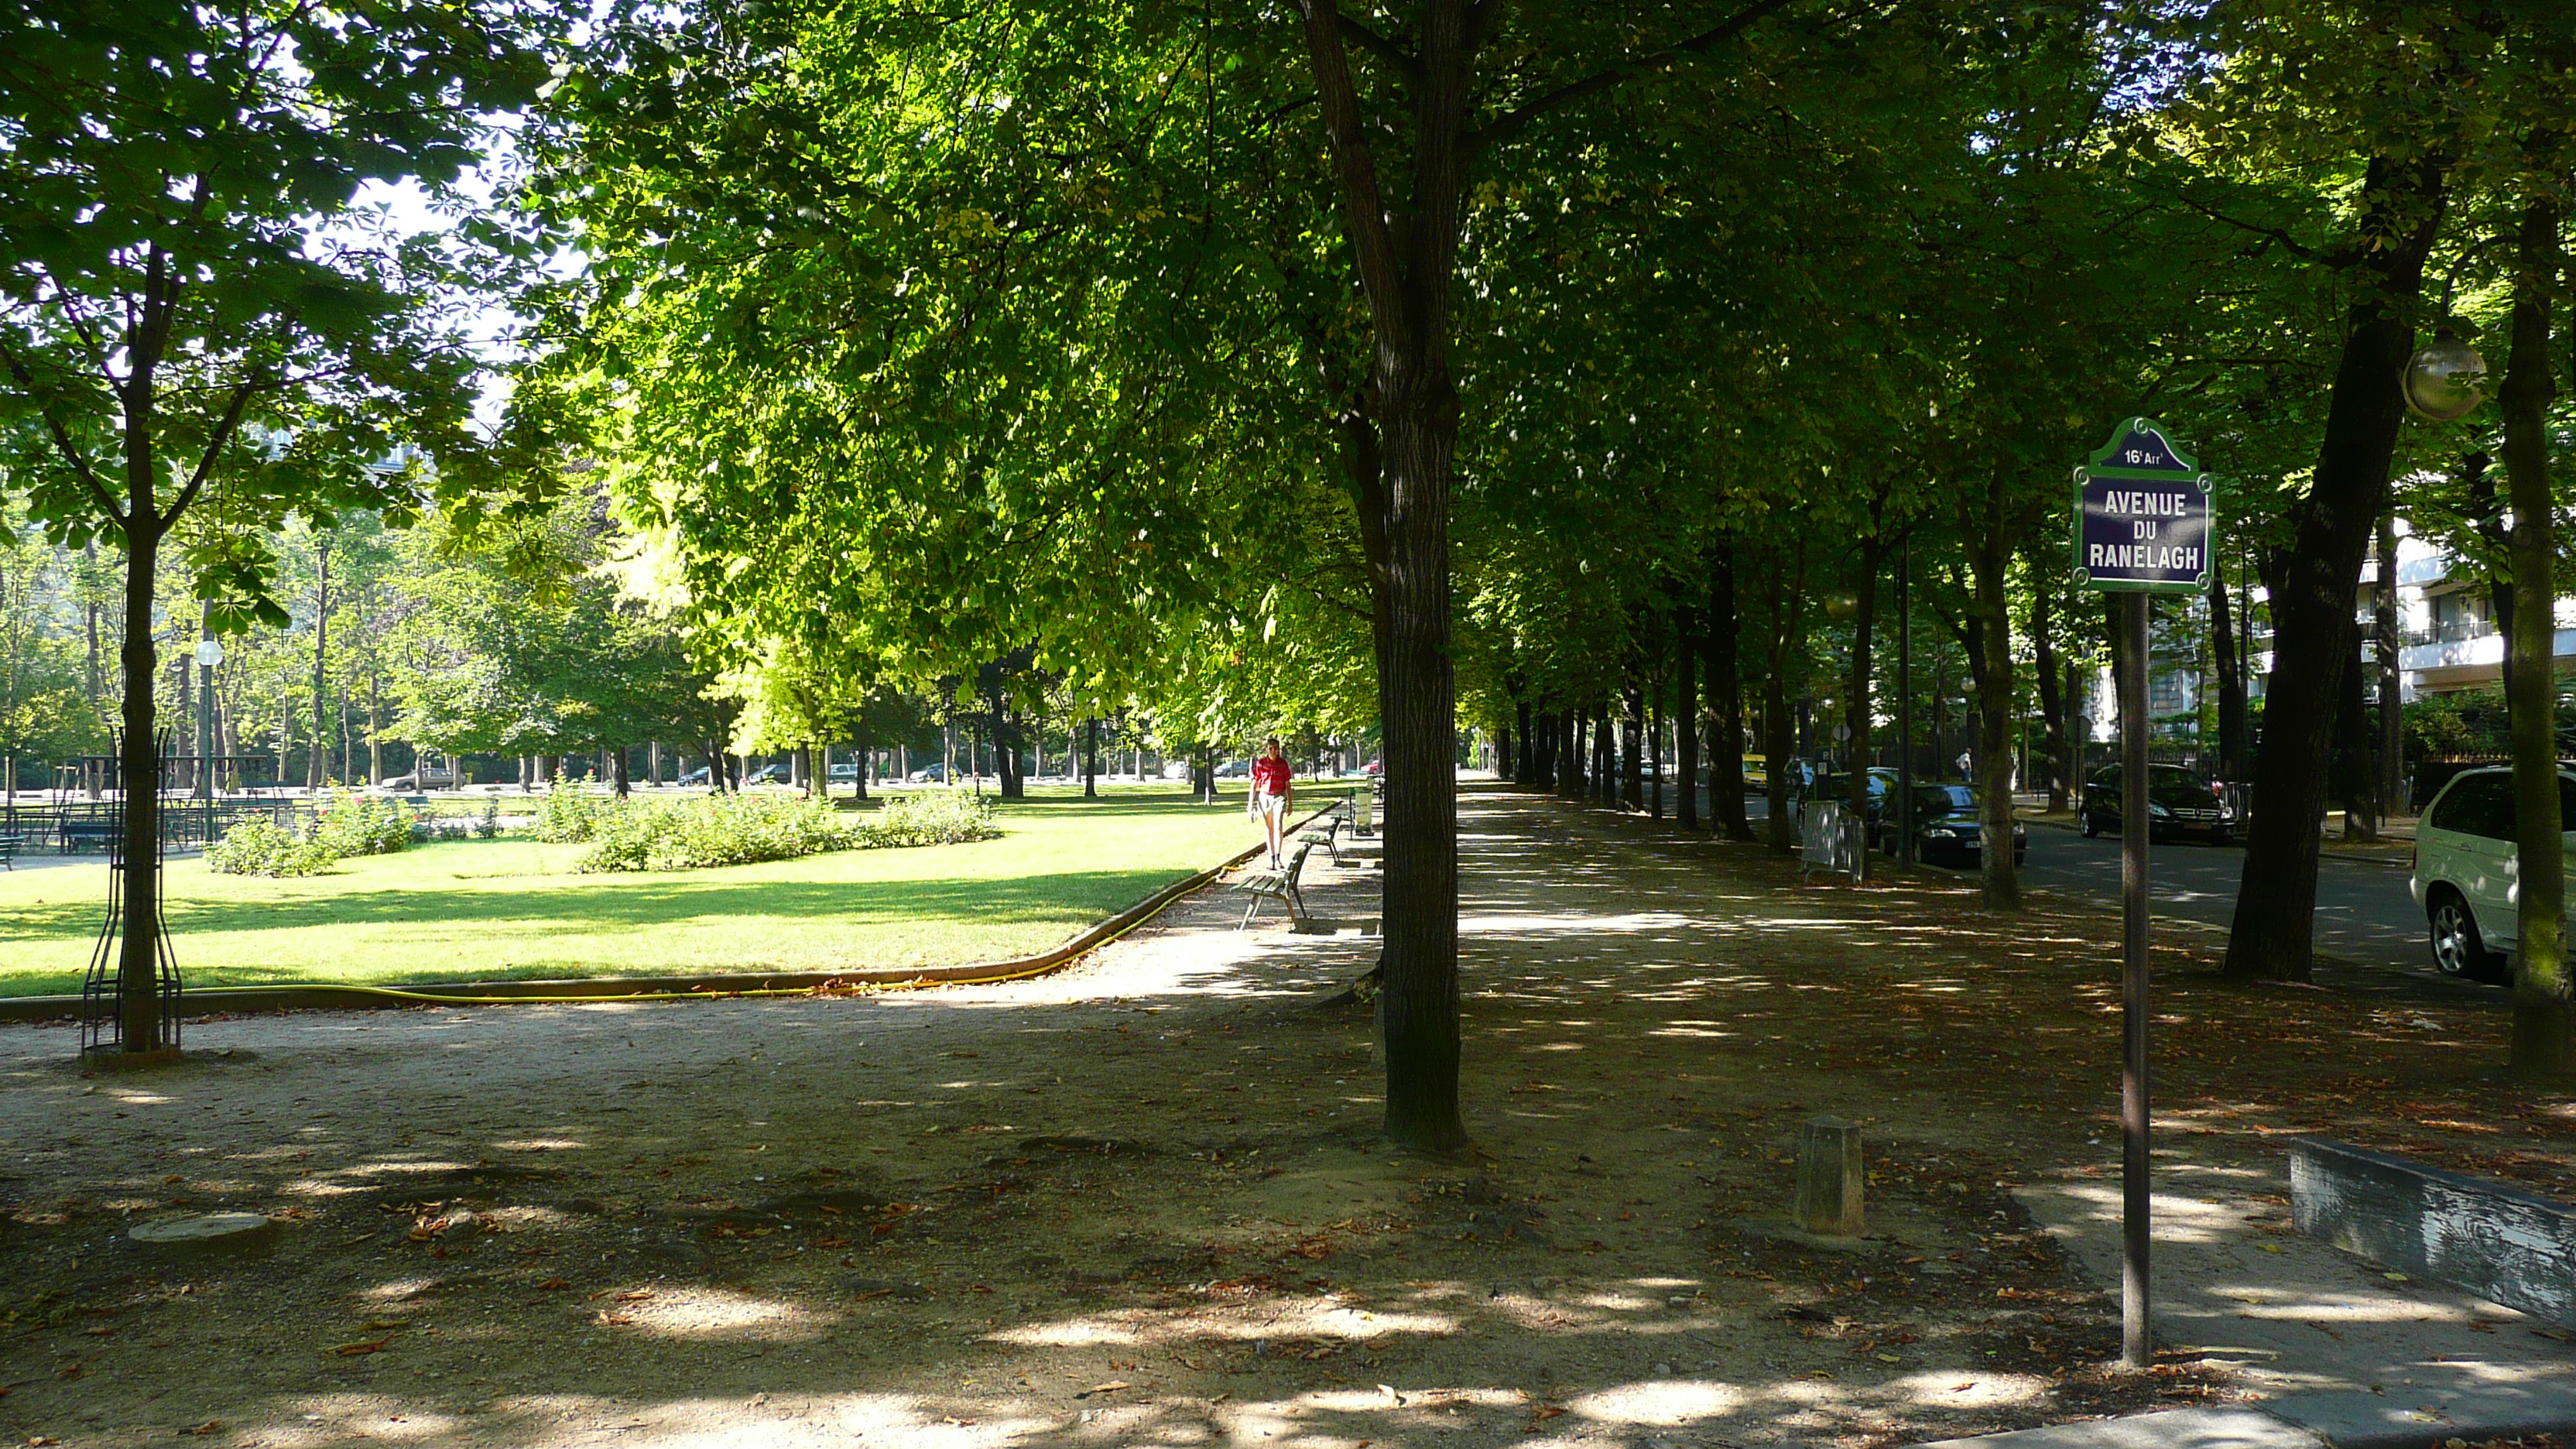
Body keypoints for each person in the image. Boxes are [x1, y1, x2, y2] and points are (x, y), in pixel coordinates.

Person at [1250, 737, 1293, 868]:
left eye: (1275, 748)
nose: (1273, 751)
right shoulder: (1261, 764)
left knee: (1278, 825)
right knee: (1269, 828)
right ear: (1267, 749)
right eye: (1271, 749)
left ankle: (1278, 859)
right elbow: (1255, 783)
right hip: (1265, 797)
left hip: (1279, 797)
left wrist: (1291, 804)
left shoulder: (1283, 764)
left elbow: (1288, 785)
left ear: (1279, 750)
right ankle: (1272, 858)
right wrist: (1250, 805)